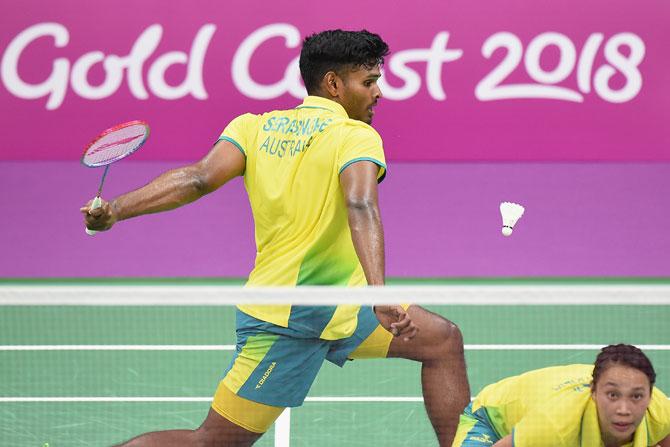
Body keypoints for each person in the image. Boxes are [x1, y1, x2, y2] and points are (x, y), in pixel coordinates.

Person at [82, 29, 470, 447]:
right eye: (369, 82)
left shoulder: (253, 128)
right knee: (211, 442)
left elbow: (196, 178)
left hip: (340, 307)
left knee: (442, 340)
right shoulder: (356, 136)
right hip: (290, 321)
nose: (378, 94)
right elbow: (360, 205)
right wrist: (379, 293)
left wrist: (116, 210)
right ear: (334, 84)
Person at [452, 344, 670, 447]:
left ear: (650, 396)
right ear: (593, 392)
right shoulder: (553, 425)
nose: (624, 410)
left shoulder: (661, 414)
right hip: (492, 421)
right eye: (613, 395)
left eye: (636, 397)